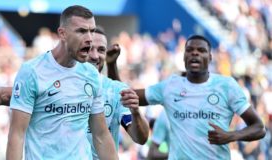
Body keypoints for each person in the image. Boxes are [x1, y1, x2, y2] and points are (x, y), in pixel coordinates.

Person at [0, 5, 131, 160]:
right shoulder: (32, 71)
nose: (89, 38)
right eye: (82, 31)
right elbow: (17, 135)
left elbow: (101, 135)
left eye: (92, 31)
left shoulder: (91, 75)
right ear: (62, 34)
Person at [109, 35, 266, 159]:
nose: (195, 53)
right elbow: (122, 95)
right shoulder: (170, 86)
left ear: (210, 58)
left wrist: (230, 136)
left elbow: (259, 127)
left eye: (201, 50)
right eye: (189, 50)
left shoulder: (226, 86)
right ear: (184, 57)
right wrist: (111, 65)